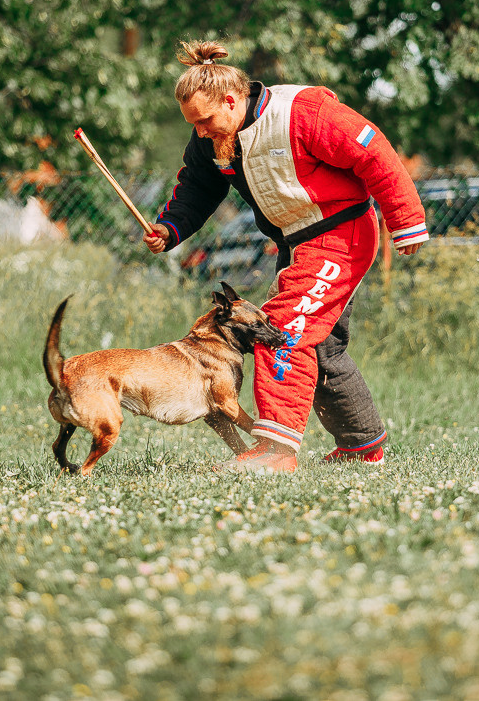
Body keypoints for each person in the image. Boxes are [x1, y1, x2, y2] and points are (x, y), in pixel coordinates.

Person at [143, 40, 426, 473]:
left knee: (281, 332)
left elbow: (373, 151)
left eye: (205, 120)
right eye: (193, 124)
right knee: (321, 346)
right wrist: (170, 229)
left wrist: (404, 219)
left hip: (341, 233)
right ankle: (362, 446)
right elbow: (197, 189)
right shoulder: (212, 139)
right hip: (296, 244)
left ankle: (277, 453)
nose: (200, 131)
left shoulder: (302, 112)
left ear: (231, 100)